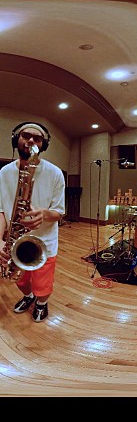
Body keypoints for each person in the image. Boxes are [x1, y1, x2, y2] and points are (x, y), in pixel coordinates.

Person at [0, 122, 65, 322]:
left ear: (43, 145)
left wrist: (44, 214)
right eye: (25, 136)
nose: (31, 141)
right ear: (15, 139)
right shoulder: (4, 173)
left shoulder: (55, 173)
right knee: (19, 279)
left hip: (44, 241)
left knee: (43, 283)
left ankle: (42, 304)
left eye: (37, 139)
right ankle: (28, 297)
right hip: (15, 240)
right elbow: (1, 210)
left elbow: (59, 212)